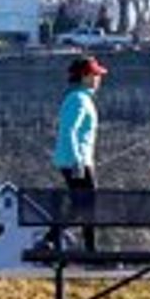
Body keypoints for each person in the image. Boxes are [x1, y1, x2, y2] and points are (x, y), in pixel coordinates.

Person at [51, 54, 105, 215]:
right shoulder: (79, 99)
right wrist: (78, 162)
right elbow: (70, 130)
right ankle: (51, 238)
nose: (98, 78)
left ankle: (51, 238)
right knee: (88, 206)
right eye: (95, 74)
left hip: (79, 160)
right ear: (84, 77)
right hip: (76, 162)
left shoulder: (80, 98)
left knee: (81, 207)